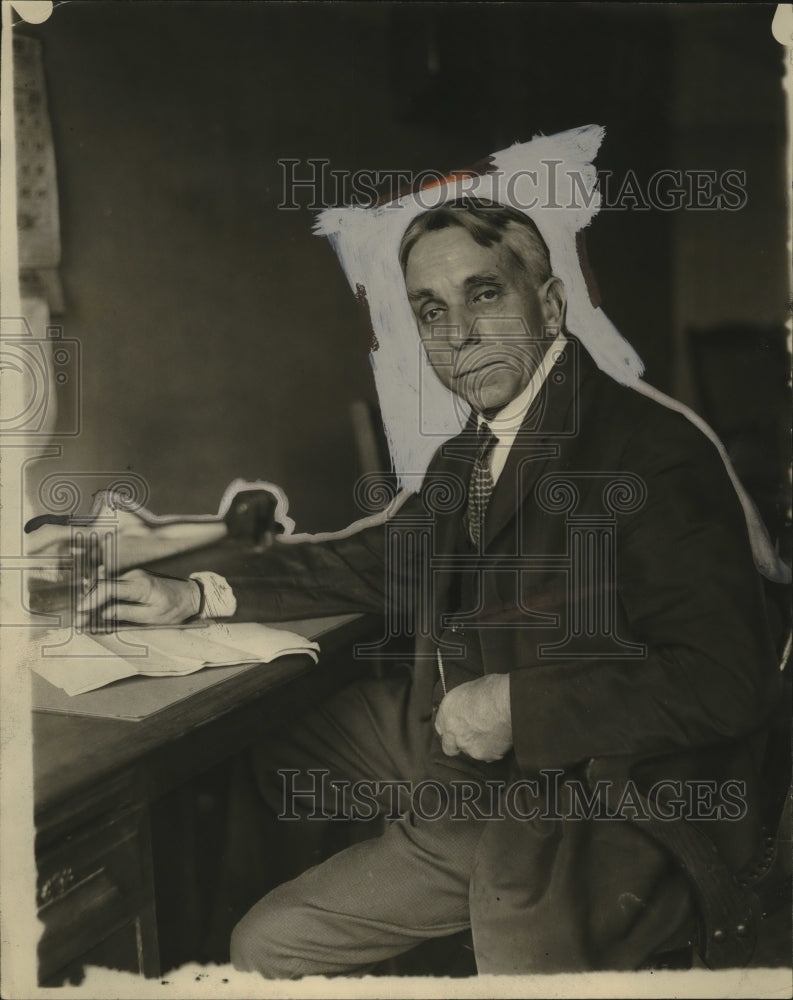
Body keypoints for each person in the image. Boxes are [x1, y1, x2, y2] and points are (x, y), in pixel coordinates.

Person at [78, 199, 782, 976]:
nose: (459, 333)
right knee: (278, 744)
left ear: (547, 304)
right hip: (459, 738)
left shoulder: (650, 450)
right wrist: (198, 593)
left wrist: (514, 705)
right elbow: (381, 557)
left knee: (263, 944)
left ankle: (286, 950)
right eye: (430, 311)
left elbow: (724, 680)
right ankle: (371, 906)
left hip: (577, 794)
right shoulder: (471, 451)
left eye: (484, 296)